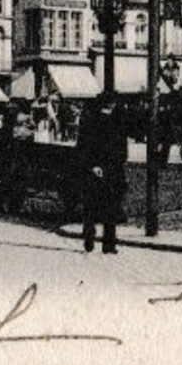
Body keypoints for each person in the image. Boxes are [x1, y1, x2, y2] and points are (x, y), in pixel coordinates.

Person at [78, 101, 127, 254]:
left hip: (97, 171)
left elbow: (82, 148)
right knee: (110, 207)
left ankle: (90, 239)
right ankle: (108, 244)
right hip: (111, 171)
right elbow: (123, 152)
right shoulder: (117, 124)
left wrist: (93, 166)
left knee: (91, 206)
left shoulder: (89, 123)